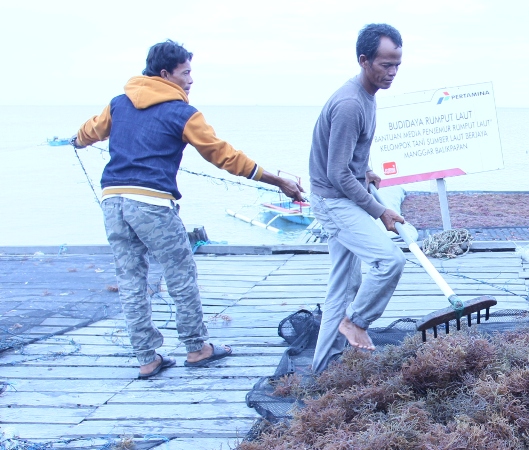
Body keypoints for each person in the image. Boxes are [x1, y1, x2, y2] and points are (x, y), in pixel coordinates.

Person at [73, 40, 304, 379]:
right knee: (180, 275)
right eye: (186, 72)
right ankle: (196, 348)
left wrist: (75, 141)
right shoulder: (183, 113)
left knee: (131, 280)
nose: (191, 79)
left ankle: (147, 358)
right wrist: (276, 180)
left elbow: (89, 131)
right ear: (166, 74)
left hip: (113, 201)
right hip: (151, 205)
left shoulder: (119, 103)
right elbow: (223, 155)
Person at [308, 23, 406, 372]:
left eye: (397, 64)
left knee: (342, 288)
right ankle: (356, 321)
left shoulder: (366, 96)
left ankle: (322, 368)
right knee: (389, 261)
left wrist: (363, 169)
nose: (392, 72)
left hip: (341, 193)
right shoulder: (351, 103)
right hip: (334, 201)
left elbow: (344, 158)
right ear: (364, 60)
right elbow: (336, 173)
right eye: (384, 65)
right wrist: (380, 210)